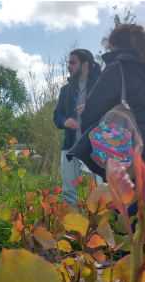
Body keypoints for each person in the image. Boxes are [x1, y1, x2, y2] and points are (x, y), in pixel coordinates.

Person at [67, 24, 145, 282]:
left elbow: (92, 111)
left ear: (116, 46)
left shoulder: (118, 68)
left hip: (126, 144)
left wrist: (95, 120)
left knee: (127, 214)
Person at [53, 49, 102, 209]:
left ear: (85, 64)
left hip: (94, 149)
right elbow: (57, 116)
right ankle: (72, 231)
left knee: (97, 194)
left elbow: (111, 112)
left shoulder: (101, 86)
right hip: (70, 149)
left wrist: (92, 107)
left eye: (72, 63)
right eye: (68, 63)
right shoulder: (65, 90)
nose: (69, 66)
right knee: (68, 193)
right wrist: (65, 120)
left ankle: (96, 232)